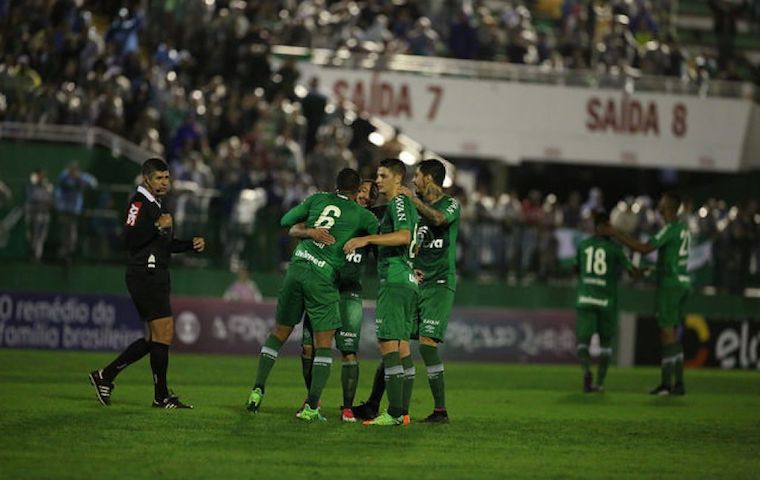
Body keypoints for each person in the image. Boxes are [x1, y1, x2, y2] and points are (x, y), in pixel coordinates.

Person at [245, 168, 379, 422]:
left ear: (336, 185)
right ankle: (312, 407)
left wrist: (309, 232)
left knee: (279, 333)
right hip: (322, 278)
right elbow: (387, 235)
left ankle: (257, 389)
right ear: (356, 190)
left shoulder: (317, 199)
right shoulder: (361, 215)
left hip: (297, 268)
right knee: (323, 344)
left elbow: (286, 220)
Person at [88, 157, 205, 409]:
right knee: (163, 333)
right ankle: (160, 396)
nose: (165, 182)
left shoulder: (156, 205)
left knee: (155, 338)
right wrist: (155, 225)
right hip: (145, 274)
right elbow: (127, 238)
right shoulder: (138, 203)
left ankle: (106, 376)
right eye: (159, 178)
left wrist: (189, 244)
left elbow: (163, 244)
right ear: (146, 180)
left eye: (167, 177)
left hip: (156, 274)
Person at [353, 159, 459, 423]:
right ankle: (391, 408)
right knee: (398, 343)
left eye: (418, 176)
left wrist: (411, 201)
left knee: (425, 345)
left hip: (438, 283)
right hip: (414, 278)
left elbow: (438, 219)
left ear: (429, 179)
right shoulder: (406, 205)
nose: (413, 180)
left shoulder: (449, 204)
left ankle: (438, 410)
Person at [293, 180, 380, 422]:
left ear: (372, 201)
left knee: (348, 351)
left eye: (369, 195)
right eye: (361, 191)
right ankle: (313, 400)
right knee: (308, 347)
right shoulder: (333, 214)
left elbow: (385, 252)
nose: (363, 196)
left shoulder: (369, 225)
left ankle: (347, 408)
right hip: (322, 288)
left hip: (349, 294)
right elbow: (299, 228)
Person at [343, 158, 419, 427]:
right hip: (407, 279)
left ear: (398, 179)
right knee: (403, 347)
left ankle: (395, 413)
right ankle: (403, 412)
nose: (377, 181)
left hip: (395, 280)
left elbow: (404, 236)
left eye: (383, 175)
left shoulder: (398, 202)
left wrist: (366, 239)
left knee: (388, 345)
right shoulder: (406, 204)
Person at [599, 192, 690, 395]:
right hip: (681, 283)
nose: (659, 206)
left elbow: (644, 248)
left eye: (662, 203)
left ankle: (671, 384)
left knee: (667, 333)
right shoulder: (683, 228)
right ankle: (675, 383)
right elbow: (673, 260)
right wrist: (650, 271)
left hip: (670, 286)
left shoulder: (670, 228)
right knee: (671, 334)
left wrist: (615, 233)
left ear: (669, 207)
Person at [575, 210, 637, 393]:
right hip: (606, 301)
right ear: (603, 227)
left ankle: (586, 371)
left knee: (583, 341)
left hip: (586, 298)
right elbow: (631, 271)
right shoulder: (615, 249)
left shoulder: (583, 245)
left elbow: (577, 268)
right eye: (608, 225)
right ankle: (600, 383)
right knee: (606, 343)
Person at [54, 162, 98, 264]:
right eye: (71, 169)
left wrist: (79, 178)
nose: (72, 172)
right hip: (64, 209)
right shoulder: (64, 176)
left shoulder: (80, 177)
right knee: (64, 231)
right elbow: (59, 185)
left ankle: (70, 252)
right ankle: (64, 252)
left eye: (74, 170)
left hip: (74, 210)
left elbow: (93, 183)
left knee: (72, 231)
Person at [25, 169, 54, 262]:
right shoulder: (31, 186)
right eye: (39, 175)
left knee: (42, 236)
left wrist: (45, 200)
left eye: (43, 175)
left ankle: (38, 256)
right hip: (34, 214)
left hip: (45, 214)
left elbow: (50, 199)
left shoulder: (48, 186)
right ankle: (32, 254)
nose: (41, 177)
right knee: (33, 235)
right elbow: (33, 197)